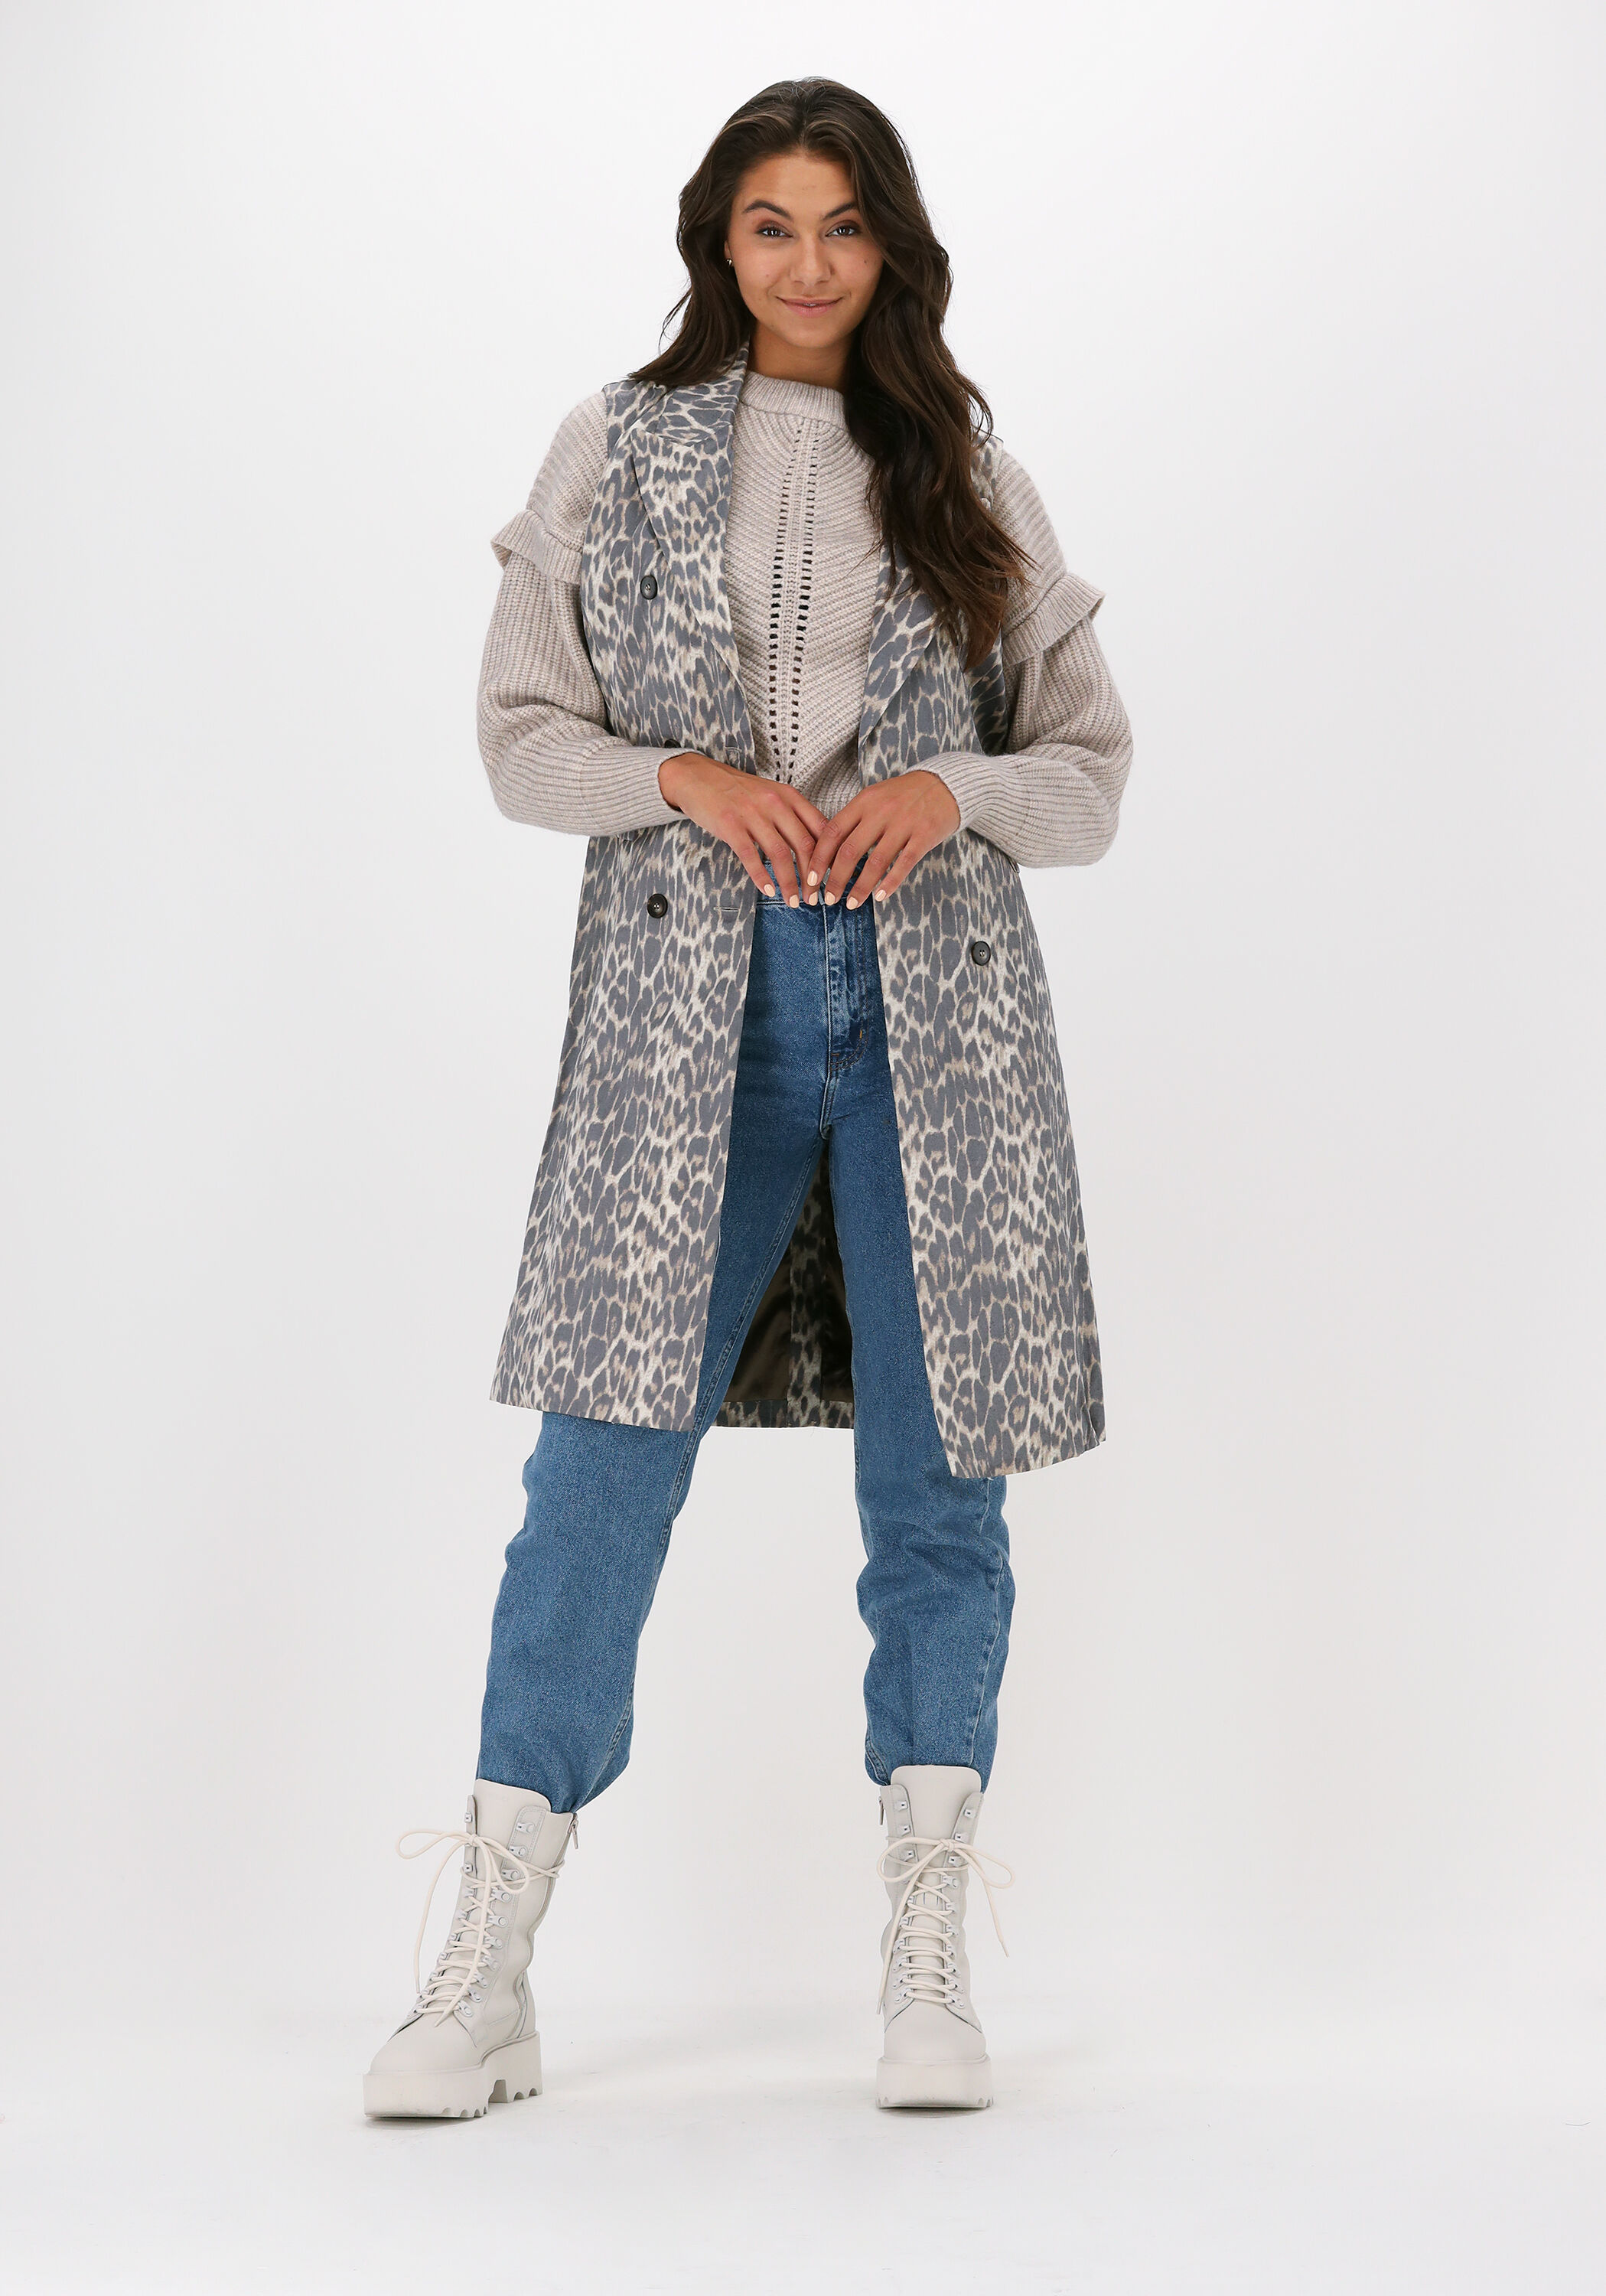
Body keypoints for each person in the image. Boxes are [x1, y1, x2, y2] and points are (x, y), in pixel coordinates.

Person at [363, 77, 1134, 2121]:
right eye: (772, 223)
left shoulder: (965, 467)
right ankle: (487, 1966)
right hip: (685, 1016)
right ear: (719, 237)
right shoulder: (614, 447)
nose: (808, 264)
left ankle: (926, 1958)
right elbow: (520, 738)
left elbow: (1088, 776)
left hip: (937, 1019)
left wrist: (945, 788)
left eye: (845, 226)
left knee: (938, 1486)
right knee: (596, 1475)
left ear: (893, 249)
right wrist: (683, 778)